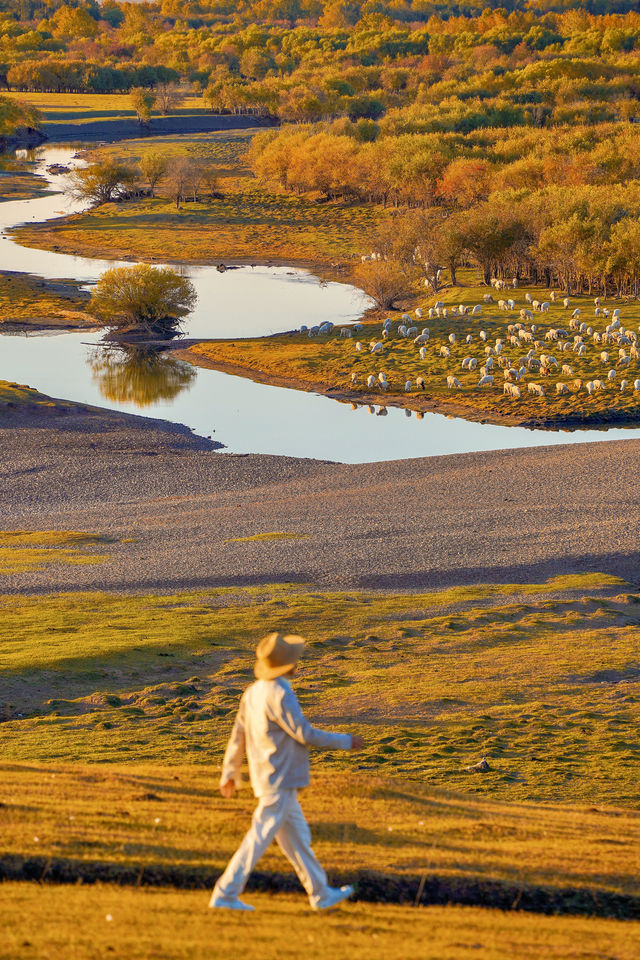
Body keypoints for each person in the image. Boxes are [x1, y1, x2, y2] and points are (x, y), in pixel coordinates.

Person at [209, 631, 364, 912]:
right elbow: (303, 733)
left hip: (268, 777)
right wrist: (345, 741)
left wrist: (229, 772)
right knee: (258, 838)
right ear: (287, 665)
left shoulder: (253, 692)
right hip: (280, 778)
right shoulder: (280, 693)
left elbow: (238, 734)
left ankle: (319, 892)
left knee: (298, 840)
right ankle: (225, 893)